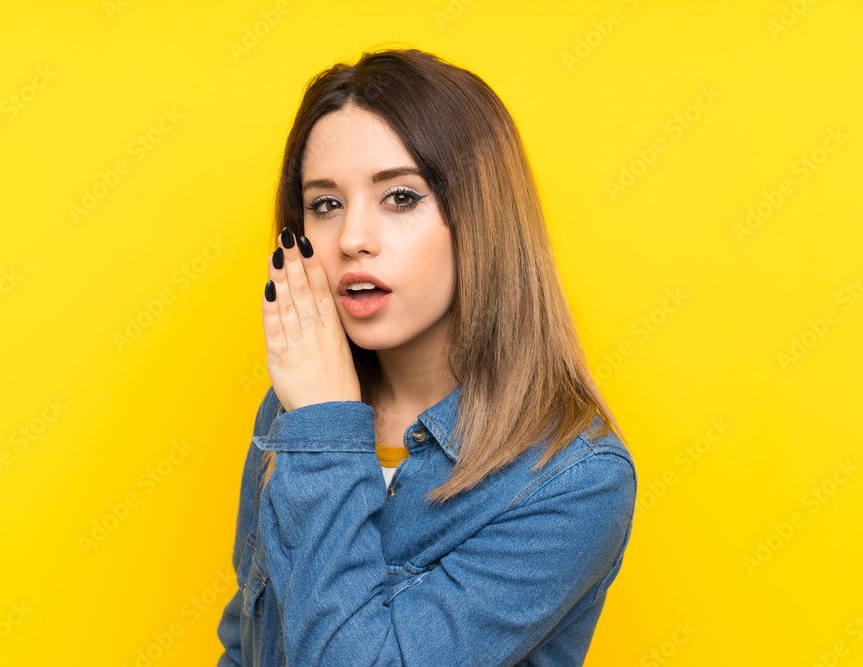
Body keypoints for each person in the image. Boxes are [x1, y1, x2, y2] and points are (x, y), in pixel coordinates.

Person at [217, 46, 637, 667]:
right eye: (325, 204)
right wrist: (316, 419)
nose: (353, 239)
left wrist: (326, 429)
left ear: (481, 218)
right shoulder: (293, 411)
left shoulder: (574, 479)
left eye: (401, 198)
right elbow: (245, 644)